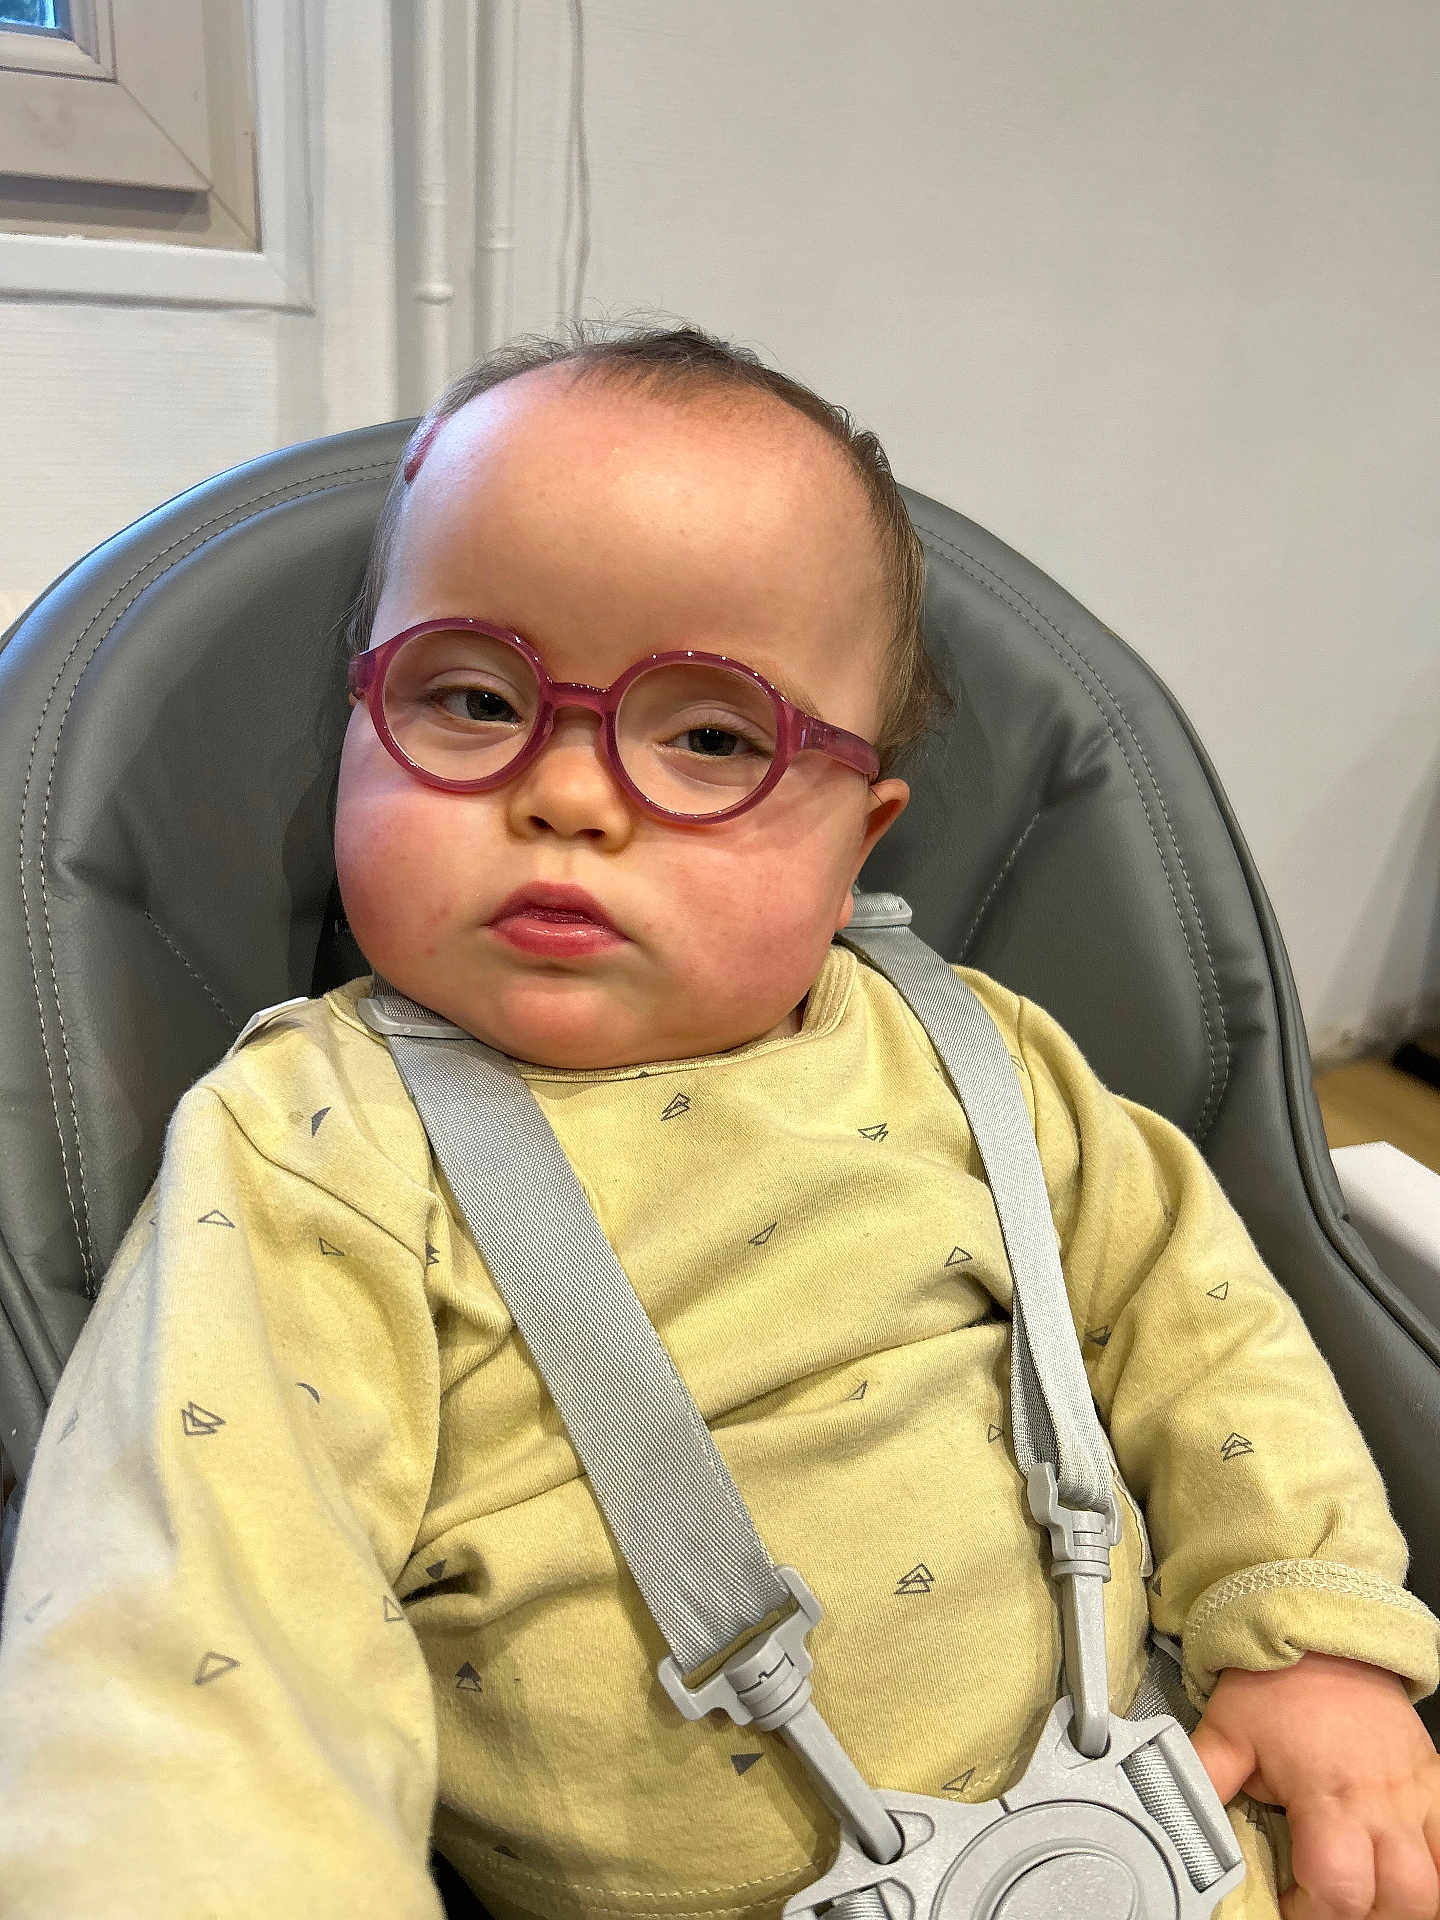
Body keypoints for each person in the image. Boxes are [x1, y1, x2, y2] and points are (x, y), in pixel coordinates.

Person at [1, 323, 1437, 1920]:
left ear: (857, 836)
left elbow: (1205, 1331)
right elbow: (202, 1633)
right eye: (470, 698)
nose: (568, 793)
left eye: (707, 737)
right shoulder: (313, 1147)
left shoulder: (977, 1057)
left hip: (1177, 1821)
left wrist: (1310, 1640)